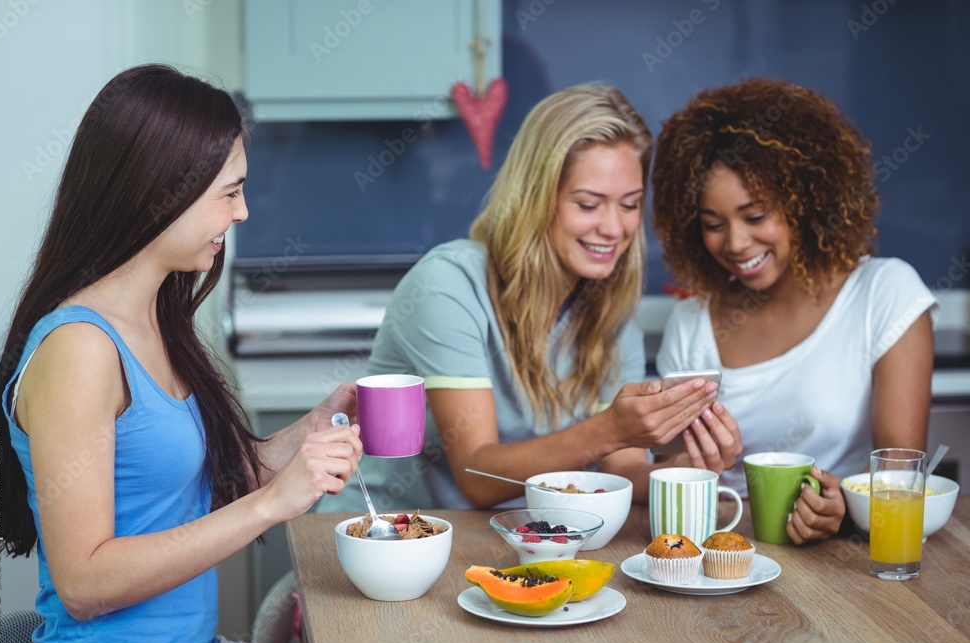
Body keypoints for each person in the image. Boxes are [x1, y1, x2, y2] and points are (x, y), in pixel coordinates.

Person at [0, 64, 362, 643]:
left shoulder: (156, 322)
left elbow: (185, 488)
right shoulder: (79, 351)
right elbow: (83, 585)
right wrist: (271, 503)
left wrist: (311, 431)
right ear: (162, 192)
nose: (243, 213)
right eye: (229, 192)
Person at [364, 83, 731, 511]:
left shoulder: (611, 315)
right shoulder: (448, 286)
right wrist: (609, 429)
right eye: (589, 204)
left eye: (629, 205)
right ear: (536, 199)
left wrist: (691, 469)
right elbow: (478, 476)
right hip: (382, 536)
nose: (614, 229)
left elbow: (623, 471)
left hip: (503, 542)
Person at [637, 77, 937, 544]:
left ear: (806, 201)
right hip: (723, 552)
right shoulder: (693, 324)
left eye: (755, 217)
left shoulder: (885, 292)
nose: (736, 243)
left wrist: (847, 507)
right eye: (713, 224)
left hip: (842, 561)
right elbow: (672, 474)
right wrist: (702, 464)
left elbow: (899, 469)